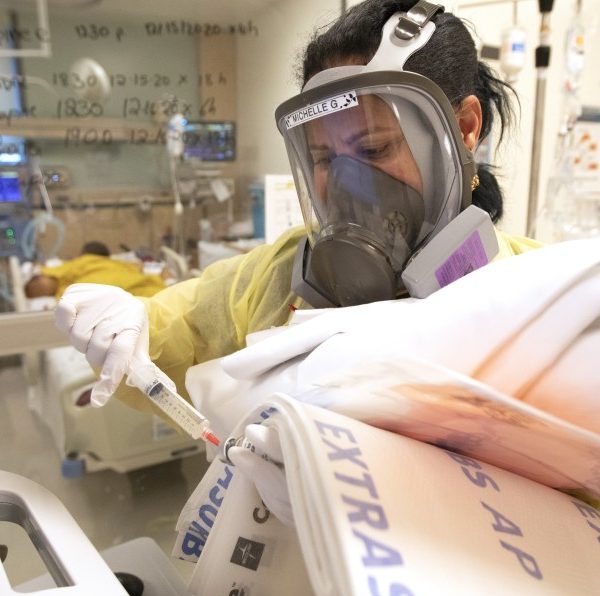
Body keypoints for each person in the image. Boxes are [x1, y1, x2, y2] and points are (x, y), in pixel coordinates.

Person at [55, 0, 541, 410]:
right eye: (323, 158)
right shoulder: (273, 276)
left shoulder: (542, 297)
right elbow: (182, 329)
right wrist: (133, 326)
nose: (347, 183)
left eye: (373, 149)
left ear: (465, 128)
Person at [25, 240, 166, 300]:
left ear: (40, 276)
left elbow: (93, 264)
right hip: (144, 289)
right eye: (38, 293)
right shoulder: (65, 294)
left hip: (132, 276)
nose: (40, 289)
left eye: (37, 284)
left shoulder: (63, 269)